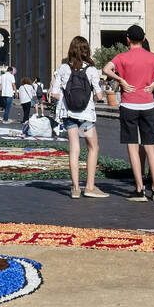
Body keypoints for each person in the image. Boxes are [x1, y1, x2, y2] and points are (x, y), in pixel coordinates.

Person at [103, 25, 154, 201]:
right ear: (144, 39)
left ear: (127, 39)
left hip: (129, 105)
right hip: (148, 104)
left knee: (132, 146)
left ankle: (139, 189)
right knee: (150, 145)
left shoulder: (122, 57)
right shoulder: (153, 57)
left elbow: (106, 69)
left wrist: (120, 79)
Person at [50, 36, 108, 199]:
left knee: (74, 149)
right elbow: (98, 95)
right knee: (93, 147)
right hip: (86, 116)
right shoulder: (90, 70)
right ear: (86, 50)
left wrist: (66, 97)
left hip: (68, 115)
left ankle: (75, 188)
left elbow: (54, 94)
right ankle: (89, 186)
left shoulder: (62, 68)